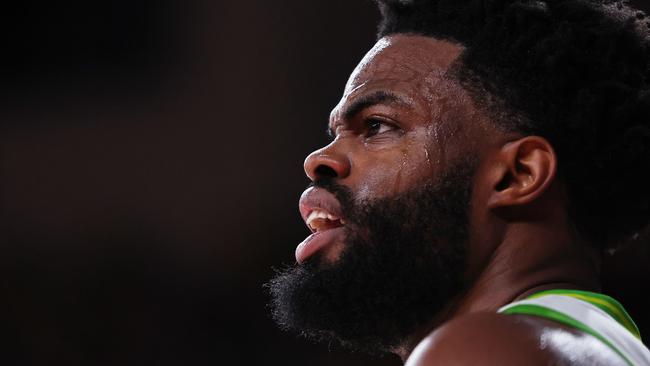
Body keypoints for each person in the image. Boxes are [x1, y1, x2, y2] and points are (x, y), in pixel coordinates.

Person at [267, 0, 650, 364]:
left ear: (519, 174)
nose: (319, 159)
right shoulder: (607, 345)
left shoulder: (485, 350)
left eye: (377, 126)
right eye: (334, 133)